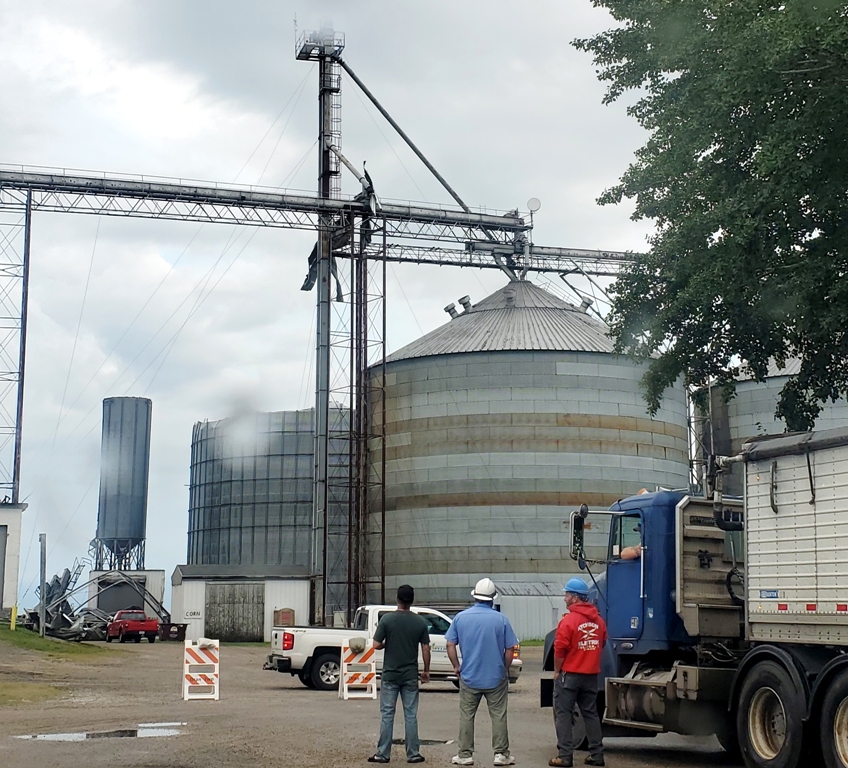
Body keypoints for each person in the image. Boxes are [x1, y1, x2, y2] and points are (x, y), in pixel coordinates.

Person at [446, 577, 518, 767]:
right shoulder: (501, 620)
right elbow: (510, 648)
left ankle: (464, 754)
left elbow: (450, 644)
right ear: (492, 598)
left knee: (467, 716)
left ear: (475, 596)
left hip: (469, 676)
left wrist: (456, 666)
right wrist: (504, 668)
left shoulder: (461, 618)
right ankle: (501, 754)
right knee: (498, 716)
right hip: (495, 677)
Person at [368, 584, 430, 764]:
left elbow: (376, 644)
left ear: (397, 598)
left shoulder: (387, 619)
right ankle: (413, 753)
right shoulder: (420, 622)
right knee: (410, 714)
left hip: (390, 674)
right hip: (410, 675)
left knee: (387, 714)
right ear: (412, 600)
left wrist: (388, 643)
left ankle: (382, 753)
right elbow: (426, 648)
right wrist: (426, 671)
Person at [549, 577, 607, 768]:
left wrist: (557, 671)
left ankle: (565, 756)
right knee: (590, 714)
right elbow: (602, 643)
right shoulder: (599, 621)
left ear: (574, 597)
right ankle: (597, 755)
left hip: (570, 676)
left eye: (567, 594)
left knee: (564, 714)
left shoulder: (568, 621)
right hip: (591, 676)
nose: (564, 598)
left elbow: (559, 650)